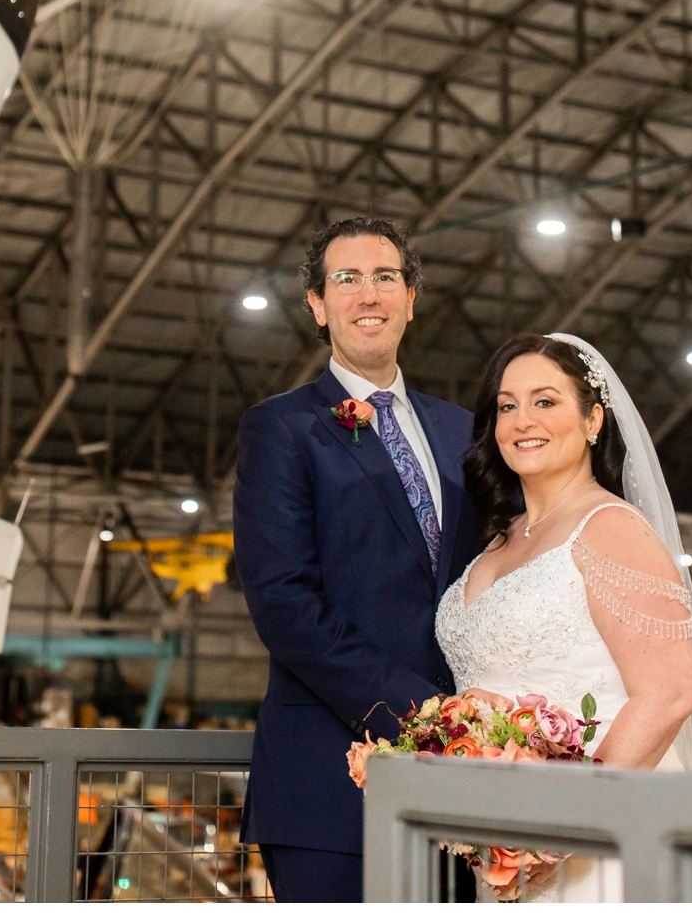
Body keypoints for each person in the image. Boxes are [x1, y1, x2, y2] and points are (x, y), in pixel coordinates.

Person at [234, 217, 484, 903]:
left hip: (464, 786)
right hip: (329, 785)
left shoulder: (464, 429)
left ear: (411, 297)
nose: (367, 294)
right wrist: (423, 714)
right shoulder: (282, 427)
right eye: (346, 278)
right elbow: (284, 602)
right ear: (318, 305)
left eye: (385, 277)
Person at [434, 333, 692, 902]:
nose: (520, 420)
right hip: (505, 843)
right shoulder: (497, 541)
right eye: (506, 406)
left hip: (598, 837)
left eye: (545, 401)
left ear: (593, 420)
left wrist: (562, 826)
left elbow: (669, 695)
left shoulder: (612, 528)